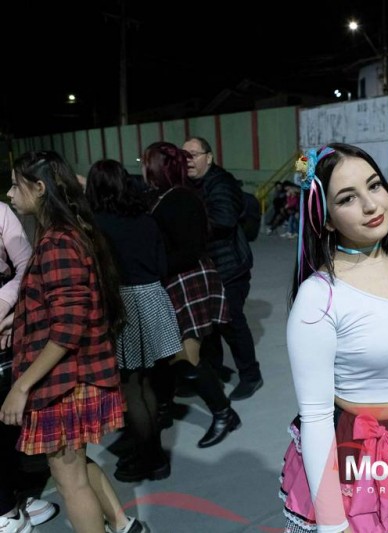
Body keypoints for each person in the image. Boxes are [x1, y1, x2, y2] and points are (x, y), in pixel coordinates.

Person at [279, 144, 388, 533]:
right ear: (326, 219)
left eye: (374, 185)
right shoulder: (320, 296)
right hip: (355, 458)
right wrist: (333, 524)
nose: (371, 205)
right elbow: (316, 417)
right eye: (347, 198)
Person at [0, 150, 147, 533]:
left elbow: (68, 328)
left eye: (15, 185)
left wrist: (21, 386)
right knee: (74, 466)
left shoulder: (57, 243)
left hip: (66, 381)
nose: (10, 194)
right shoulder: (64, 234)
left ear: (40, 188)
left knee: (70, 482)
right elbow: (62, 310)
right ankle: (123, 524)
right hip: (72, 377)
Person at [86, 159, 182, 481]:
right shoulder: (145, 219)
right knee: (145, 383)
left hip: (124, 302)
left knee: (130, 386)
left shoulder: (96, 225)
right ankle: (154, 455)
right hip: (153, 297)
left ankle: (151, 459)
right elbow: (162, 265)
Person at [142, 142, 241, 448]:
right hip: (174, 281)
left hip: (188, 281)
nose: (143, 168)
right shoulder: (164, 195)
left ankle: (224, 413)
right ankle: (164, 408)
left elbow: (189, 250)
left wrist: (155, 265)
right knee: (168, 355)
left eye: (147, 162)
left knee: (186, 355)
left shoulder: (181, 198)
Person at [182, 137, 262, 400]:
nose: (188, 160)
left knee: (232, 323)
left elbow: (225, 219)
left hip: (230, 268)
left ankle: (251, 376)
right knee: (210, 326)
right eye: (184, 155)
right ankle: (215, 371)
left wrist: (186, 219)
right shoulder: (190, 183)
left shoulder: (221, 182)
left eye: (194, 154)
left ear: (209, 157)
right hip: (207, 268)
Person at [0, 201, 59, 532]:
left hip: (5, 328)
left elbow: (26, 265)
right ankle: (8, 506)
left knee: (6, 418)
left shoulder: (1, 213)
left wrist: (6, 303)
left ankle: (12, 503)